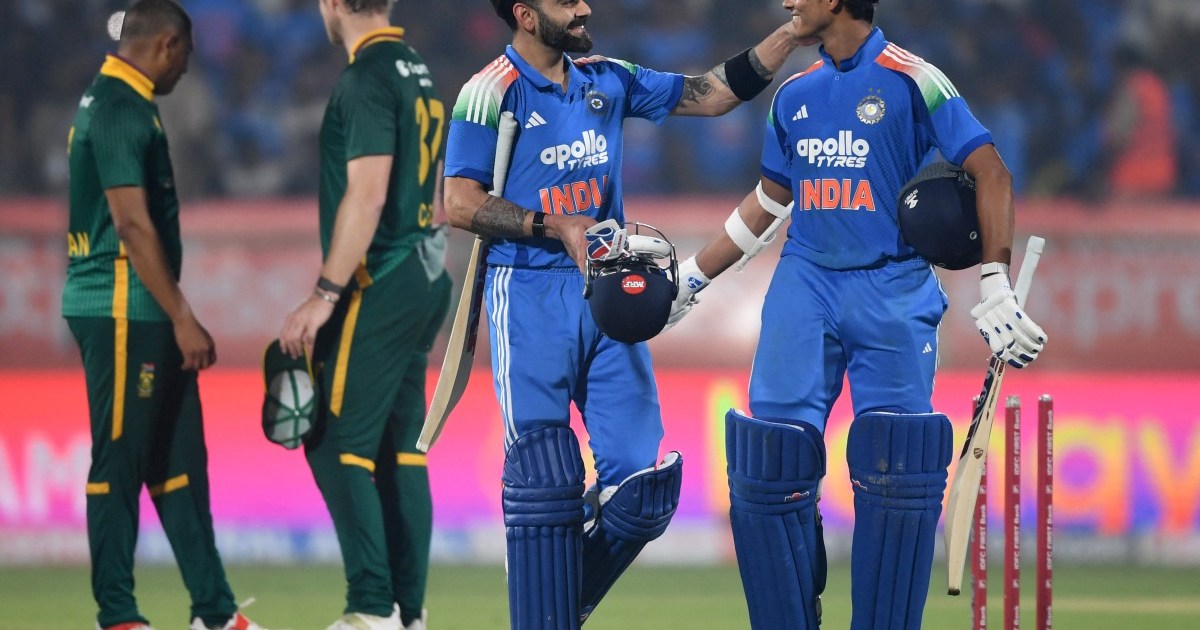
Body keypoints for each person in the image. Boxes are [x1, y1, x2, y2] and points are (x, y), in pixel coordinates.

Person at [666, 0, 1047, 628]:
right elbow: (770, 202)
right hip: (805, 285)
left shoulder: (914, 79)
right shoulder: (793, 94)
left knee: (899, 469)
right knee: (770, 465)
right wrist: (692, 277)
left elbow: (992, 173)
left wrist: (995, 281)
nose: (788, 3)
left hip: (893, 288)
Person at [441, 1, 807, 628]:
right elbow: (458, 202)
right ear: (525, 15)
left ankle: (550, 594)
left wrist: (794, 33)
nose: (583, 8)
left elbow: (713, 94)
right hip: (525, 294)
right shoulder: (488, 92)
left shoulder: (607, 77)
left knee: (644, 490)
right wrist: (555, 226)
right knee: (544, 478)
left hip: (607, 291)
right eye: (565, 2)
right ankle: (545, 576)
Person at [61, 2, 266, 629]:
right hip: (122, 306)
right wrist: (182, 314)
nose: (186, 70)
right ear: (168, 46)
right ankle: (118, 614)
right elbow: (129, 223)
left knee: (179, 466)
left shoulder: (124, 102)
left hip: (143, 308)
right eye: (187, 56)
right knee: (120, 460)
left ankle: (216, 613)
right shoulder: (119, 108)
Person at [276, 0, 451, 628]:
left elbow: (368, 193)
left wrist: (325, 294)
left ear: (331, 3)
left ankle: (372, 607)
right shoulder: (416, 68)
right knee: (401, 447)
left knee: (334, 439)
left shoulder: (366, 76)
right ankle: (409, 611)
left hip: (383, 277)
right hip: (426, 271)